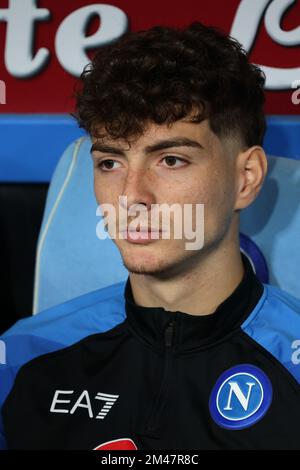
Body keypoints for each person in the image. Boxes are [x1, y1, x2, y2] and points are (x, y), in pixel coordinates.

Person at [0, 22, 300, 450]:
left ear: (245, 178)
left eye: (171, 160)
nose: (131, 197)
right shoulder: (21, 356)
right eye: (110, 163)